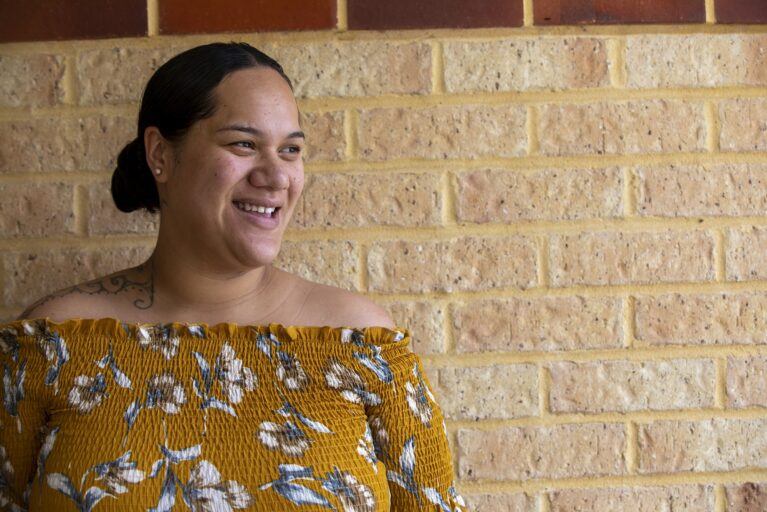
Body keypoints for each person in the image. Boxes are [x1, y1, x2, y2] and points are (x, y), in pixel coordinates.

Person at [0, 43, 466, 511]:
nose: (276, 175)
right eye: (243, 144)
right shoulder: (50, 345)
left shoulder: (362, 346)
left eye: (290, 150)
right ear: (160, 153)